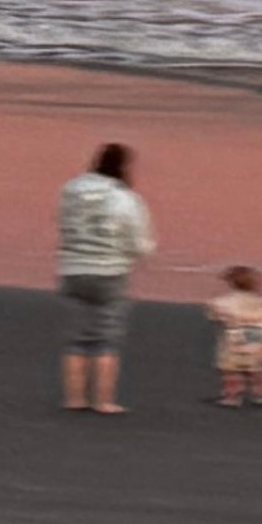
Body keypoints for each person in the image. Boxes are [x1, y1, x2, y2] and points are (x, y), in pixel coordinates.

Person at [54, 141, 157, 414]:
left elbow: (62, 223)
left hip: (72, 267)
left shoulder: (71, 190)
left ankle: (74, 398)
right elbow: (138, 239)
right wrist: (138, 254)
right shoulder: (125, 198)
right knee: (106, 338)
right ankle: (104, 400)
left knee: (77, 338)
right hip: (110, 271)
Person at [208, 263, 262, 408]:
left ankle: (232, 396)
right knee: (256, 366)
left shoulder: (226, 302)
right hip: (261, 335)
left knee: (232, 369)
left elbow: (216, 313)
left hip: (238, 335)